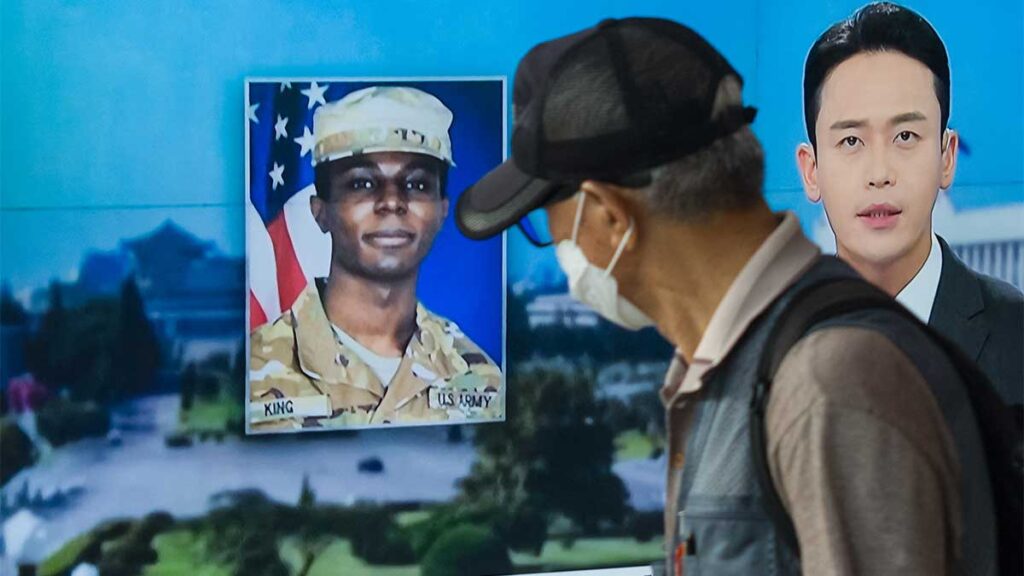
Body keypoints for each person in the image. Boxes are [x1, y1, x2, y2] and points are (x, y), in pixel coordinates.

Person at [455, 17, 996, 575]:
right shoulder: (725, 368)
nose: (560, 252)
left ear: (610, 219)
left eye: (547, 224)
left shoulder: (826, 381)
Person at [796, 2, 1023, 405]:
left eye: (905, 137)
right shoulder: (764, 351)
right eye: (851, 141)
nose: (880, 172)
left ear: (946, 156)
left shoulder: (1016, 337)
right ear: (812, 170)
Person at [249, 86, 502, 431]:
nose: (392, 202)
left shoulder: (480, 375)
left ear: (442, 211)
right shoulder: (255, 367)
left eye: (416, 184)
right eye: (362, 184)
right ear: (320, 212)